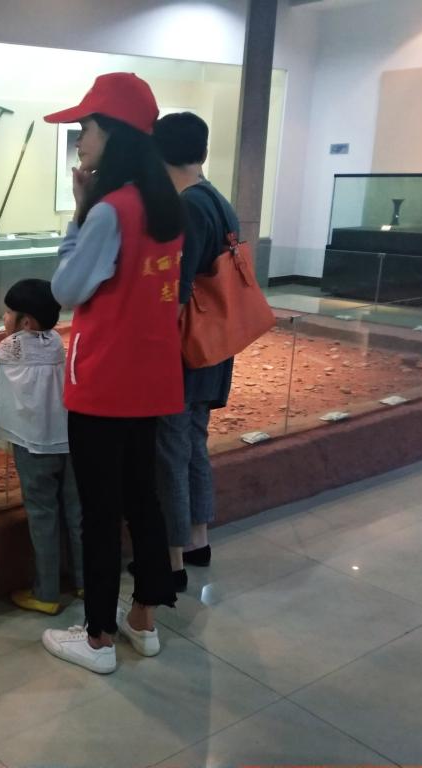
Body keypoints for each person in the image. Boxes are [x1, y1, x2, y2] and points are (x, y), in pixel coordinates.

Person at [39, 73, 184, 675]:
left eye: (86, 127)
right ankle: (143, 619)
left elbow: (66, 289)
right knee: (142, 499)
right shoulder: (165, 206)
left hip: (103, 383)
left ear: (114, 133)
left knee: (99, 510)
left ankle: (97, 636)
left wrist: (79, 213)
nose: (80, 138)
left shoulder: (110, 211)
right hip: (150, 378)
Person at [146, 111, 237, 588]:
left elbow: (176, 294)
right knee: (193, 444)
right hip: (216, 343)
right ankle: (198, 540)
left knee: (171, 452)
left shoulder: (186, 207)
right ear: (202, 150)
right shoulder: (219, 200)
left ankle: (172, 560)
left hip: (186, 349)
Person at [0, 279, 84, 615]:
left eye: (9, 312)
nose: (4, 317)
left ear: (26, 322)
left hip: (33, 446)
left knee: (42, 515)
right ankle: (86, 581)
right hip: (69, 440)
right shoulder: (57, 343)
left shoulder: (10, 348)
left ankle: (46, 593)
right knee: (77, 512)